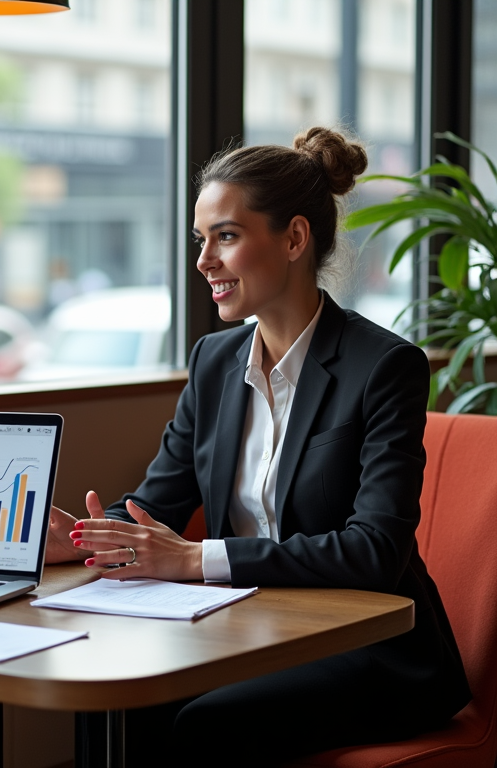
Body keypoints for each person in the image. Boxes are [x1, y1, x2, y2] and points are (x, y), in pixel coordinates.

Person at [45, 127, 471, 766]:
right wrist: (84, 537)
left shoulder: (384, 366)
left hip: (371, 648)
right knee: (129, 703)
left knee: (210, 725)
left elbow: (375, 551)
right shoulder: (214, 361)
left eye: (226, 236)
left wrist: (196, 559)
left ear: (294, 238)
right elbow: (155, 504)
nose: (203, 262)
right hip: (245, 630)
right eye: (202, 240)